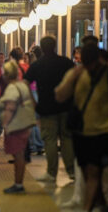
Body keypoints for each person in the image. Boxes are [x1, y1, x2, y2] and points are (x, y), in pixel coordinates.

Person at [55, 43, 108, 212]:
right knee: (88, 173)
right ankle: (102, 203)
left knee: (94, 171)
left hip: (103, 132)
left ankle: (88, 207)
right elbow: (60, 96)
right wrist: (75, 75)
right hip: (81, 132)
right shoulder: (77, 74)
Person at [24, 36, 75, 182]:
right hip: (66, 106)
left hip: (46, 108)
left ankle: (52, 173)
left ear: (42, 47)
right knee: (67, 139)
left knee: (50, 140)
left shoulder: (37, 65)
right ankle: (71, 171)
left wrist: (33, 102)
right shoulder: (66, 62)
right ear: (54, 45)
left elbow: (25, 83)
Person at [0, 60, 36, 194]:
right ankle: (18, 183)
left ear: (7, 75)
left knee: (18, 155)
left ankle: (18, 184)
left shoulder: (12, 88)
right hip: (25, 125)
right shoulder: (23, 85)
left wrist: (5, 124)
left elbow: (10, 107)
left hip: (16, 126)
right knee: (20, 154)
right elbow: (33, 103)